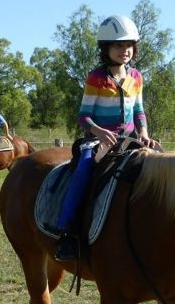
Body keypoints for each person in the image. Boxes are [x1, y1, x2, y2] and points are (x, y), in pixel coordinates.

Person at [54, 15, 156, 261]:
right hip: (98, 141)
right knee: (83, 172)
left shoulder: (136, 77)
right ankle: (66, 232)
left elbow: (139, 111)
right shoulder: (96, 78)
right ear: (106, 48)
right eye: (118, 45)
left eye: (129, 45)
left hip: (131, 141)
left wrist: (143, 134)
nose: (125, 51)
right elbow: (84, 116)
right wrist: (99, 131)